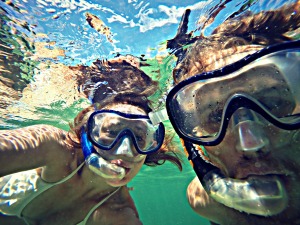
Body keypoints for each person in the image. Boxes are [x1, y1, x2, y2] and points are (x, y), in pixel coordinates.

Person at [157, 2, 300, 225]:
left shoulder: (208, 203)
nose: (251, 144)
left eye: (272, 103)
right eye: (215, 116)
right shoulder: (206, 199)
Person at [0, 56, 183, 225]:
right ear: (88, 133)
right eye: (112, 131)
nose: (124, 150)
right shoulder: (52, 146)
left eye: (140, 137)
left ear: (151, 146)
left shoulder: (118, 213)